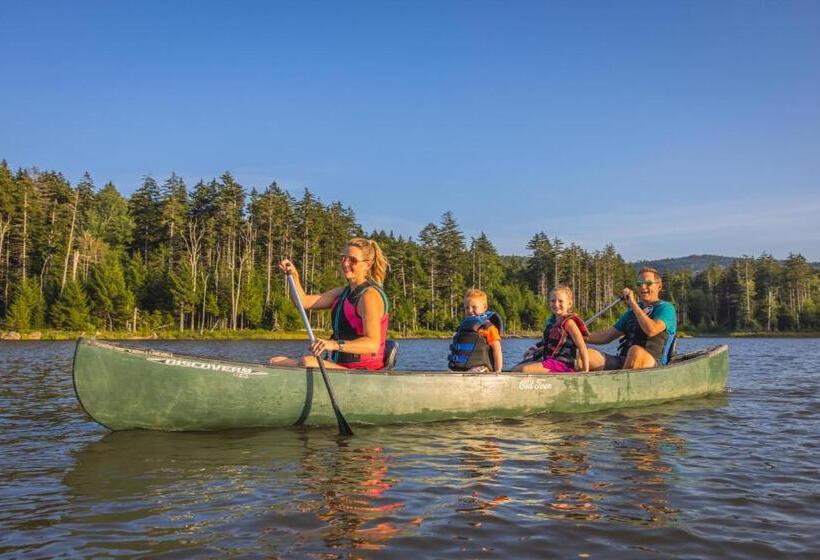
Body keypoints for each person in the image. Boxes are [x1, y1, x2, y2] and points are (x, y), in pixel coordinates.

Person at [269, 237, 390, 370]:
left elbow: (372, 344)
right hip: (343, 367)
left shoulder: (370, 296)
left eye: (353, 260)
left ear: (367, 265)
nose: (345, 263)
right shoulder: (342, 293)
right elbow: (303, 302)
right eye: (343, 258)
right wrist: (294, 275)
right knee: (275, 361)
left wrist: (332, 344)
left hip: (364, 371)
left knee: (307, 362)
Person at [586, 267, 677, 370]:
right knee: (586, 355)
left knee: (635, 352)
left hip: (653, 364)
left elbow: (652, 330)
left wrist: (633, 304)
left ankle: (620, 379)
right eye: (639, 284)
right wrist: (578, 336)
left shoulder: (666, 308)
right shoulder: (631, 312)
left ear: (659, 286)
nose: (643, 287)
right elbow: (606, 336)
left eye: (648, 283)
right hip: (625, 361)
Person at [512, 285, 590, 373]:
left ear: (569, 304)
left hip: (563, 365)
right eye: (553, 301)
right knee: (516, 368)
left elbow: (582, 347)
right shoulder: (552, 322)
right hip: (550, 361)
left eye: (560, 301)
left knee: (524, 370)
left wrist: (585, 370)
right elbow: (551, 345)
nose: (556, 304)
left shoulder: (569, 323)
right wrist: (535, 351)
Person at [447, 288, 504, 372]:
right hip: (461, 368)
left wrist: (498, 370)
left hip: (482, 367)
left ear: (484, 307)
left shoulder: (489, 328)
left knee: (473, 371)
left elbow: (497, 350)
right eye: (467, 308)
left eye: (474, 307)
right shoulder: (463, 327)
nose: (470, 311)